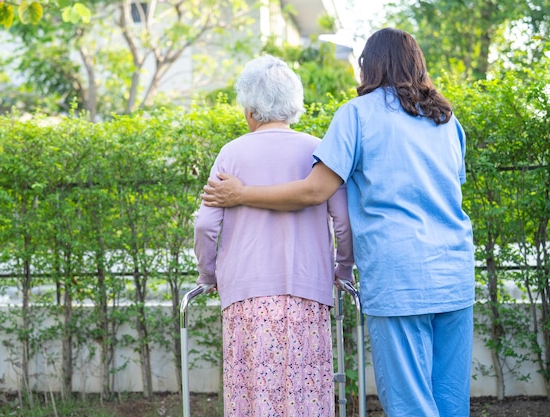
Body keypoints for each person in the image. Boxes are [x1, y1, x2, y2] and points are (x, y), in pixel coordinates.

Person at [201, 28, 475, 417]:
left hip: (400, 278)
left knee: (412, 405)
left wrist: (241, 195)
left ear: (369, 66)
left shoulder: (357, 114)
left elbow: (315, 192)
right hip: (455, 274)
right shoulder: (447, 120)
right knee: (450, 402)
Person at [193, 54, 354, 417]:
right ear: (294, 105)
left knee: (252, 399)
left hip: (245, 297)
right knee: (305, 397)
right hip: (307, 294)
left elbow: (205, 225)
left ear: (249, 109)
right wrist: (342, 272)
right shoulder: (319, 150)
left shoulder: (231, 153)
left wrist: (208, 275)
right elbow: (343, 223)